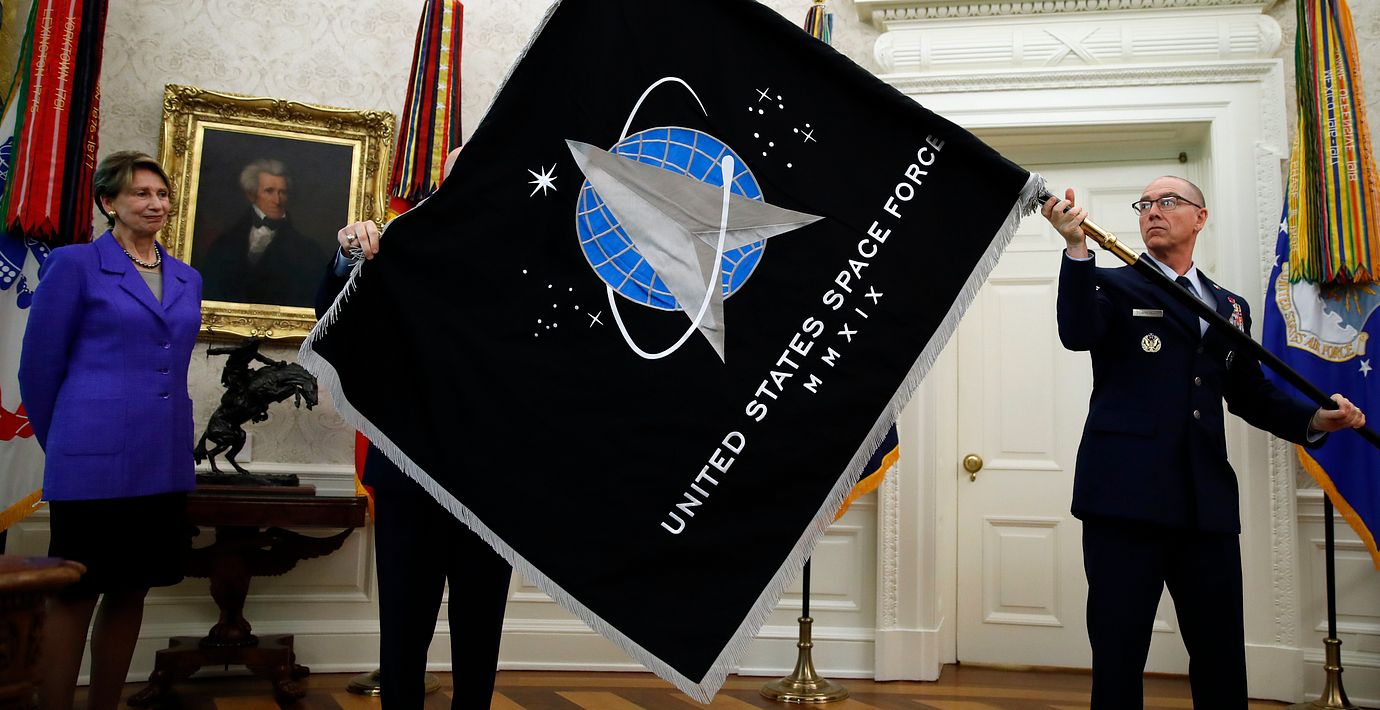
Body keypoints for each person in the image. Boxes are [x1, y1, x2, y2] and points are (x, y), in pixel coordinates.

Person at [1041, 177, 1366, 709]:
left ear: (1200, 217)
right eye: (1145, 204)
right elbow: (1076, 332)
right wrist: (1076, 248)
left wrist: (1314, 419)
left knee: (1220, 653)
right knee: (1119, 652)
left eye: (1168, 202)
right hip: (1124, 500)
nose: (1153, 211)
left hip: (1205, 503)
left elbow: (1249, 394)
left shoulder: (1230, 306)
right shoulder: (1111, 283)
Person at [315, 147, 512, 709]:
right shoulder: (399, 242)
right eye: (460, 173)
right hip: (408, 472)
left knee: (480, 629)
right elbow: (329, 313)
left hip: (490, 480)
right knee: (403, 627)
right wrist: (346, 254)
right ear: (441, 184)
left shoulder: (525, 256)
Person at [19, 151, 202, 710]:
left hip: (161, 460)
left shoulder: (187, 276)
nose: (156, 203)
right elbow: (38, 369)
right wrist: (68, 444)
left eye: (162, 194)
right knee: (76, 593)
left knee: (132, 591)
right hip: (91, 463)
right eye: (141, 193)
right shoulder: (75, 264)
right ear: (109, 202)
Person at [202, 158, 326, 307]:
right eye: (269, 191)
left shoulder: (309, 251)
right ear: (251, 195)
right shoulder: (224, 245)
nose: (277, 200)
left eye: (282, 192)